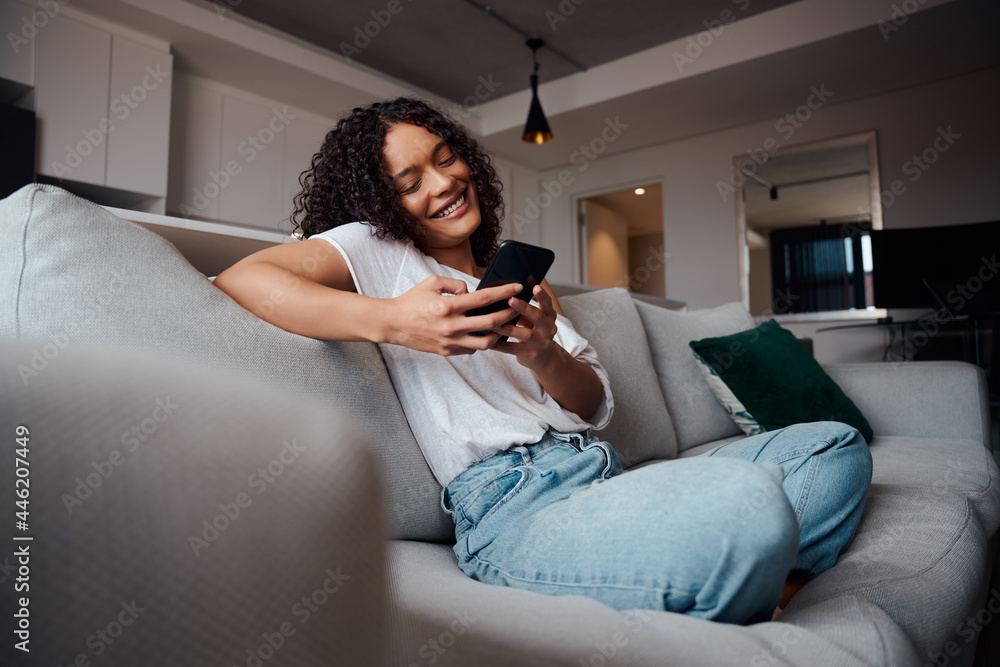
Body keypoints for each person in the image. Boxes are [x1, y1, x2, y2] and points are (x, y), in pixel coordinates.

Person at [213, 97, 872, 624]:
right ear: (384, 204)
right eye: (412, 182)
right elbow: (241, 279)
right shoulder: (379, 253)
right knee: (749, 503)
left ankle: (771, 582)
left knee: (832, 445)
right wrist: (396, 322)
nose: (444, 183)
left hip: (600, 475)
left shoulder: (520, 285)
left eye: (447, 158)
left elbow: (593, 404)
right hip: (516, 513)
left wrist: (541, 349)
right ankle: (737, 565)